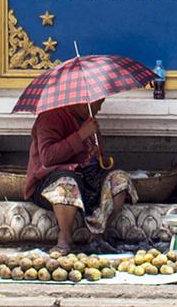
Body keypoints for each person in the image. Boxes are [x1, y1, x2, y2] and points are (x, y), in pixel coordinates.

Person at [25, 98, 135, 253]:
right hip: (51, 179)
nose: (99, 109)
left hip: (87, 177)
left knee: (119, 179)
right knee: (67, 184)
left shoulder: (87, 119)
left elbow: (96, 154)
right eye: (97, 104)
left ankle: (98, 232)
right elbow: (47, 157)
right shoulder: (50, 116)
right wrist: (81, 135)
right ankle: (65, 237)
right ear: (82, 102)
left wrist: (97, 150)